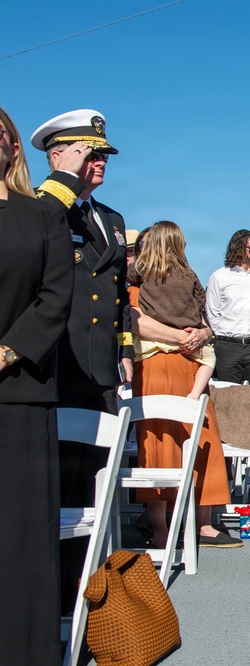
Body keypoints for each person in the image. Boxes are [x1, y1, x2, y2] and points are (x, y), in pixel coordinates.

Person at [32, 108, 135, 613]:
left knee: (92, 484)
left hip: (99, 370)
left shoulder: (111, 220)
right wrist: (60, 182)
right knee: (56, 487)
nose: (99, 162)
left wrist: (126, 352)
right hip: (59, 365)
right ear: (58, 156)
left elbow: (118, 297)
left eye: (102, 155)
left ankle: (85, 590)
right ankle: (52, 594)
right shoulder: (45, 206)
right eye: (88, 154)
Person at [0, 106, 75, 665]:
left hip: (19, 390)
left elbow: (56, 295)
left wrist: (8, 349)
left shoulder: (40, 215)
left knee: (20, 537)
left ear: (14, 147)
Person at [128, 223, 239, 549]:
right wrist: (184, 338)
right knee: (159, 445)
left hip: (193, 369)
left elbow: (204, 321)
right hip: (155, 367)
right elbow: (135, 321)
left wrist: (203, 334)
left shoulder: (185, 279)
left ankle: (203, 524)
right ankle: (161, 528)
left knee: (204, 439)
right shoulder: (135, 283)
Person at [132, 221, 216, 401]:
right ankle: (194, 395)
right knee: (209, 359)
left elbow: (129, 275)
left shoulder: (143, 270)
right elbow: (201, 299)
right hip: (184, 354)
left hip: (156, 355)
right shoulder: (189, 273)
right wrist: (192, 327)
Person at [205, 230, 250, 384]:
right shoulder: (220, 276)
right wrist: (224, 336)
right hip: (227, 345)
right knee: (228, 396)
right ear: (238, 248)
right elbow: (212, 311)